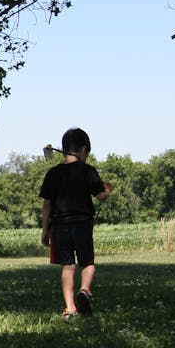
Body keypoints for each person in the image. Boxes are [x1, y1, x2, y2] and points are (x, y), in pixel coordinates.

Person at [39, 127, 111, 318]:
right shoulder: (88, 171)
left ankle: (70, 308)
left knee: (68, 266)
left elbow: (47, 205)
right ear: (83, 149)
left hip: (60, 226)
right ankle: (85, 290)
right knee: (87, 262)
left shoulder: (53, 173)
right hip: (82, 224)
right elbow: (102, 195)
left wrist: (45, 230)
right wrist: (108, 187)